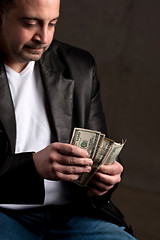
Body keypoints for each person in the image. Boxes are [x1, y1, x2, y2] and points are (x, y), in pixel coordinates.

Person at [0, 0, 136, 239]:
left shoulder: (79, 67)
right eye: (31, 23)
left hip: (72, 213)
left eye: (52, 24)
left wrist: (106, 179)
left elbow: (100, 154)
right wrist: (32, 166)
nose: (43, 37)